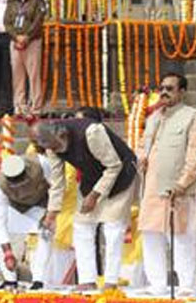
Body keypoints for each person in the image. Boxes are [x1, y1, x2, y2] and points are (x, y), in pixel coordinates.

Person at [34, 117, 138, 291]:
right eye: (50, 148)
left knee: (113, 229)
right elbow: (58, 183)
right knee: (81, 226)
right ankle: (87, 280)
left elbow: (114, 166)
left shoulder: (92, 132)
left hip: (121, 176)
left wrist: (95, 196)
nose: (55, 150)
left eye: (56, 146)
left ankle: (111, 282)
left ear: (62, 134)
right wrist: (51, 214)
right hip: (91, 179)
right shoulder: (51, 147)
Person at [137, 72, 196, 295]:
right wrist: (140, 158)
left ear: (182, 92)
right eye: (162, 88)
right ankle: (157, 285)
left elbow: (194, 156)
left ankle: (186, 287)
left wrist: (183, 182)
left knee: (181, 238)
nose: (164, 92)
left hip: (176, 190)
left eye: (170, 88)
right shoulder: (154, 117)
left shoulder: (192, 117)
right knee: (150, 235)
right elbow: (142, 145)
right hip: (150, 188)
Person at [0, 154, 53, 290]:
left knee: (47, 231)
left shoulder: (41, 164)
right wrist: (7, 252)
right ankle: (10, 280)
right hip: (15, 208)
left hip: (40, 206)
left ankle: (38, 280)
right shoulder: (0, 184)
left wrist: (50, 214)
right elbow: (1, 220)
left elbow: (55, 188)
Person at [5, 0, 46, 116]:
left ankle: (36, 107)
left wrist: (27, 37)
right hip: (15, 41)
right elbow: (7, 22)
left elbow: (38, 21)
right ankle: (19, 106)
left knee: (33, 74)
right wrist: (16, 37)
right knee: (17, 75)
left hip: (32, 41)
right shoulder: (12, 2)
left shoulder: (38, 2)